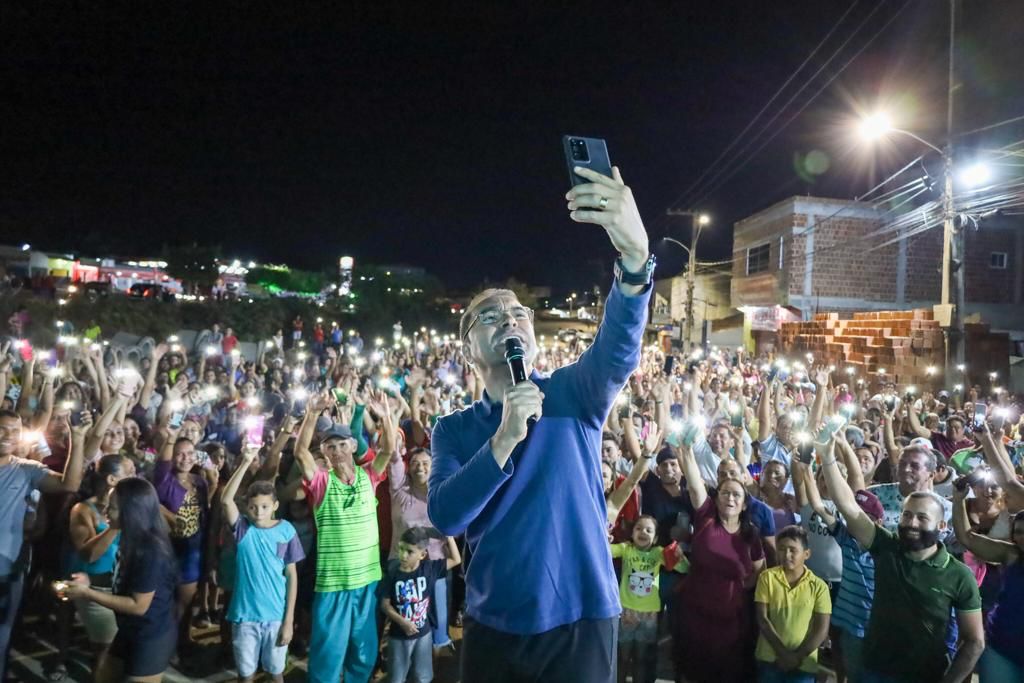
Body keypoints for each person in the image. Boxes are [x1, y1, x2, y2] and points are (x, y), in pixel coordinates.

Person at [428, 165, 653, 683]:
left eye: (519, 312)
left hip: (583, 617)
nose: (509, 317)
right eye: (489, 315)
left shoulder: (573, 393)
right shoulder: (454, 430)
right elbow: (446, 515)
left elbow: (618, 347)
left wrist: (636, 261)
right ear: (468, 351)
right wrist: (505, 436)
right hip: (495, 623)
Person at [817, 436, 984, 683]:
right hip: (875, 670)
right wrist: (828, 457)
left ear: (941, 525)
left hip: (927, 674)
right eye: (907, 515)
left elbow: (974, 641)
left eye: (921, 517)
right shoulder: (886, 548)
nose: (911, 523)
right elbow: (849, 508)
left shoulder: (959, 575)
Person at [293, 391, 393, 683]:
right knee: (327, 655)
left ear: (352, 445)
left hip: (367, 581)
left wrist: (385, 416)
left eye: (341, 444)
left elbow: (387, 450)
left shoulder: (369, 476)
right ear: (324, 452)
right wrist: (311, 415)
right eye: (330, 446)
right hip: (333, 583)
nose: (336, 450)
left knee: (364, 653)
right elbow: (300, 453)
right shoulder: (321, 482)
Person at [0, 408, 87, 681]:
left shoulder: (27, 469)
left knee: (1, 635)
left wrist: (79, 438)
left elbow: (69, 483)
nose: (7, 435)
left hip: (8, 567)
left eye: (14, 431)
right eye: (2, 428)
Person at [64, 477, 178, 683]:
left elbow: (138, 605)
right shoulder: (128, 537)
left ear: (131, 512)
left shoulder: (151, 550)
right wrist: (90, 580)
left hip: (150, 637)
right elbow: (123, 578)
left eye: (113, 508)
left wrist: (87, 593)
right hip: (129, 629)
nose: (105, 512)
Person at [674, 439, 766, 682]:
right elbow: (695, 487)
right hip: (695, 612)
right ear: (717, 498)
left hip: (731, 619)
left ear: (744, 505)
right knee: (694, 669)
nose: (731, 498)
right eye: (725, 493)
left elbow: (759, 569)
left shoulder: (750, 535)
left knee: (727, 672)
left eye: (737, 495)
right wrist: (687, 452)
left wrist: (737, 588)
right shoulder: (706, 518)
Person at [220, 447, 304, 683]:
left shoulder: (286, 530)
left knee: (275, 673)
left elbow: (292, 576)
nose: (259, 512)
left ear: (275, 505)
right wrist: (245, 462)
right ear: (247, 507)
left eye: (265, 507)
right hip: (245, 617)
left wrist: (289, 621)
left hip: (276, 617)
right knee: (245, 675)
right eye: (253, 507)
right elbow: (226, 500)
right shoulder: (243, 529)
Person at [952, 481, 1024, 681]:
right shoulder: (1011, 554)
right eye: (1018, 531)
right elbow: (967, 539)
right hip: (1001, 647)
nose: (1022, 537)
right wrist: (958, 501)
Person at [388, 446, 456, 651]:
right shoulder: (399, 492)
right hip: (403, 567)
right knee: (408, 621)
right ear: (408, 468)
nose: (420, 467)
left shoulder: (442, 495)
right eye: (415, 463)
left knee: (439, 620)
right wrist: (389, 420)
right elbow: (393, 458)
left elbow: (455, 527)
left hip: (436, 564)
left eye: (426, 463)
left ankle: (435, 659)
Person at [67, 454, 130, 662]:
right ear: (112, 480)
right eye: (129, 473)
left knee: (118, 652)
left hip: (122, 587)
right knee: (104, 652)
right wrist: (115, 525)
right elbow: (89, 555)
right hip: (95, 588)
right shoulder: (83, 510)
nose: (135, 476)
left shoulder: (131, 506)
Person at [379, 527, 462, 683]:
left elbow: (456, 559)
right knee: (396, 677)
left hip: (424, 634)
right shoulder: (392, 571)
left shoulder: (429, 569)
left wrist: (449, 536)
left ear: (422, 555)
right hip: (399, 636)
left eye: (409, 552)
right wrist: (402, 622)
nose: (403, 555)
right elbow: (385, 605)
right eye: (401, 548)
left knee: (423, 676)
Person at [609, 514, 685, 683]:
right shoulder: (626, 548)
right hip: (627, 611)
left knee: (641, 659)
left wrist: (679, 555)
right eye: (638, 528)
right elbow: (607, 551)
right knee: (622, 657)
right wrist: (606, 538)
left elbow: (684, 568)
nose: (643, 532)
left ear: (656, 537)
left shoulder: (659, 553)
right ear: (632, 533)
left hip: (649, 615)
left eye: (649, 530)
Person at [754, 525, 832, 683]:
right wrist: (784, 653)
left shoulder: (819, 587)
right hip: (769, 658)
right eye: (781, 549)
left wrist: (796, 657)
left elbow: (821, 629)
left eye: (792, 550)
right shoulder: (767, 578)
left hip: (803, 663)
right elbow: (762, 619)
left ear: (806, 554)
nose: (786, 554)